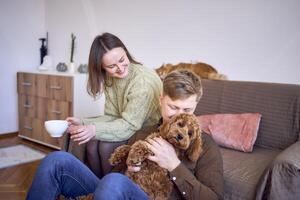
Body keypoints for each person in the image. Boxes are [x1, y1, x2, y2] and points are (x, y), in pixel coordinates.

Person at [27, 70, 224, 200]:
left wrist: (174, 166)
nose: (179, 115)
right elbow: (116, 176)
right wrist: (128, 168)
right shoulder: (145, 132)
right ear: (161, 99)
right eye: (173, 107)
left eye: (187, 110)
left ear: (196, 105)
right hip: (121, 191)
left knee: (113, 183)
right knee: (57, 160)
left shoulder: (205, 145)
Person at [65, 32, 162, 177]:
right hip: (125, 124)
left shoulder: (143, 82)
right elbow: (112, 116)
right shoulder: (111, 78)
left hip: (147, 128)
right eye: (111, 66)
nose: (120, 68)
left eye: (122, 60)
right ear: (102, 68)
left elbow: (130, 125)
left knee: (104, 146)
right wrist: (83, 122)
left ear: (126, 52)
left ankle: (111, 188)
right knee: (91, 143)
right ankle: (94, 187)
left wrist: (93, 129)